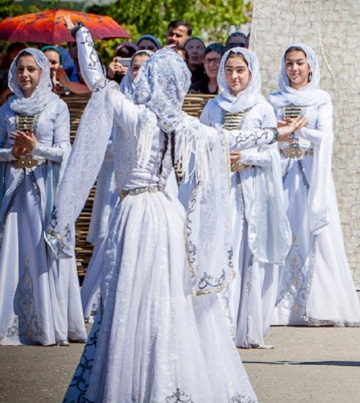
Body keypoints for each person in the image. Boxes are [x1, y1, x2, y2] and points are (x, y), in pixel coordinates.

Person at [46, 20, 305, 401]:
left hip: (135, 213)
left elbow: (97, 80)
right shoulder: (183, 125)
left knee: (130, 292)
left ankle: (133, 376)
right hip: (168, 215)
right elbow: (229, 137)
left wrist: (83, 35)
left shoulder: (133, 115)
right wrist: (275, 133)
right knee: (167, 294)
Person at [200, 48, 291, 349]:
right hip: (219, 191)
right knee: (219, 250)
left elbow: (272, 154)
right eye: (229, 70)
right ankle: (217, 325)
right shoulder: (213, 107)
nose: (234, 76)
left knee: (245, 252)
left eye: (240, 70)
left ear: (251, 73)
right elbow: (200, 144)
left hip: (250, 191)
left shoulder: (262, 108)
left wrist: (244, 156)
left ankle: (244, 325)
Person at [270, 44, 360, 330]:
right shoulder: (274, 99)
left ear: (310, 65)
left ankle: (318, 304)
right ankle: (277, 307)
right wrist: (280, 132)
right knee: (282, 231)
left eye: (300, 63)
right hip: (283, 174)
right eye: (289, 63)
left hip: (310, 174)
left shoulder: (321, 98)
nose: (295, 69)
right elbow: (267, 135)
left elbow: (327, 137)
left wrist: (300, 130)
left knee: (313, 232)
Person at [0, 49, 85, 346]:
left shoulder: (56, 106)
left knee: (43, 248)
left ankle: (47, 324)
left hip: (44, 189)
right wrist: (12, 153)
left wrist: (36, 148)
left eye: (31, 69)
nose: (25, 75)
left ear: (43, 73)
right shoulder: (7, 108)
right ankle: (12, 321)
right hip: (15, 190)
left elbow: (65, 151)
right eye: (20, 69)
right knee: (14, 247)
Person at [81, 49, 156, 320]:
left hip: (151, 186)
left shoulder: (161, 106)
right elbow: (102, 139)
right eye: (134, 68)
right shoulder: (118, 101)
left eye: (146, 69)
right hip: (117, 179)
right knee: (111, 237)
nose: (139, 73)